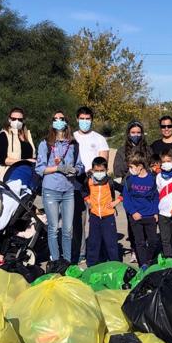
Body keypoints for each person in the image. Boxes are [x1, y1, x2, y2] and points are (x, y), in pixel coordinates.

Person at [35, 111, 83, 268]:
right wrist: (58, 168)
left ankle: (67, 262)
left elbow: (80, 166)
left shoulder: (73, 144)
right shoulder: (45, 144)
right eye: (55, 119)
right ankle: (55, 261)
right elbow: (39, 169)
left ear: (66, 122)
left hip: (69, 190)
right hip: (50, 189)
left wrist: (75, 170)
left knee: (68, 229)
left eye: (61, 119)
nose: (58, 121)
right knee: (54, 228)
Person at [71, 106, 110, 264]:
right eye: (82, 118)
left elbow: (104, 160)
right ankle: (80, 252)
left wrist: (95, 175)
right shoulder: (71, 137)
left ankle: (99, 250)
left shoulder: (99, 138)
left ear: (92, 120)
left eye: (88, 119)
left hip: (96, 182)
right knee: (78, 219)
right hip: (77, 181)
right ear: (77, 119)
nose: (85, 122)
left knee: (96, 218)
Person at [113, 120, 150, 262]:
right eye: (133, 132)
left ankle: (146, 247)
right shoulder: (122, 151)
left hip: (146, 190)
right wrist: (131, 170)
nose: (136, 135)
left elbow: (151, 166)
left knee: (147, 219)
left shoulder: (147, 149)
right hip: (130, 189)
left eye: (138, 132)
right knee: (133, 221)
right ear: (128, 133)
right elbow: (118, 170)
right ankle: (135, 249)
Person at [122, 152, 159, 268]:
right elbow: (126, 199)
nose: (130, 169)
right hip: (136, 216)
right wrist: (133, 212)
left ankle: (148, 260)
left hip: (150, 216)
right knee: (140, 242)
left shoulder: (152, 179)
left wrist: (155, 212)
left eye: (132, 167)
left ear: (140, 166)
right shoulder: (129, 180)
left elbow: (155, 197)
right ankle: (143, 264)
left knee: (153, 241)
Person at [84, 156, 121, 265]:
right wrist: (87, 199)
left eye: (102, 171)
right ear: (92, 170)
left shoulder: (110, 182)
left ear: (106, 170)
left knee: (111, 243)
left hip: (108, 217)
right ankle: (91, 266)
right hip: (94, 216)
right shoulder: (88, 181)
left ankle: (115, 264)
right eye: (96, 171)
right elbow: (83, 191)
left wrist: (117, 201)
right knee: (93, 242)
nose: (99, 173)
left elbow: (125, 190)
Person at [0, 107, 36, 181]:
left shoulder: (27, 135)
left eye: (20, 119)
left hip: (27, 176)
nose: (17, 121)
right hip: (9, 177)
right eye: (14, 119)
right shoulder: (4, 134)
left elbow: (32, 156)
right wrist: (24, 162)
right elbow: (2, 159)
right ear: (9, 119)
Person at [156, 150, 172, 258]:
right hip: (163, 212)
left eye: (169, 160)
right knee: (165, 239)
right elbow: (158, 191)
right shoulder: (159, 177)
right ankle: (168, 260)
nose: (166, 163)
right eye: (164, 161)